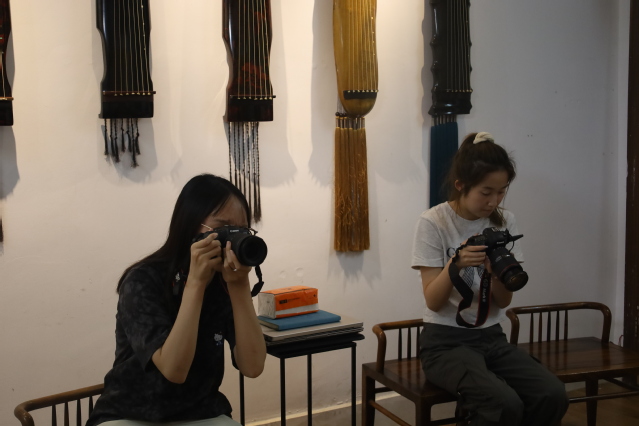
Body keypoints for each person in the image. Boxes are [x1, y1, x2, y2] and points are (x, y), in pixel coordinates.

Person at [411, 132, 568, 426]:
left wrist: (495, 274)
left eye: (501, 192)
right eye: (486, 192)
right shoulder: (434, 221)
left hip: (492, 337)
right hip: (445, 343)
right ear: (461, 185)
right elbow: (433, 301)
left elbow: (504, 301)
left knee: (552, 393)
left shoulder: (505, 221)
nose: (493, 201)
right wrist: (455, 264)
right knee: (502, 403)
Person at [87, 174, 267, 426]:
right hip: (130, 414)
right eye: (223, 228)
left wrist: (239, 286)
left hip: (201, 412)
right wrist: (196, 284)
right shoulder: (142, 281)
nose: (232, 240)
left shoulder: (224, 284)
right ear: (190, 227)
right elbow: (174, 370)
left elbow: (253, 367)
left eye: (241, 230)